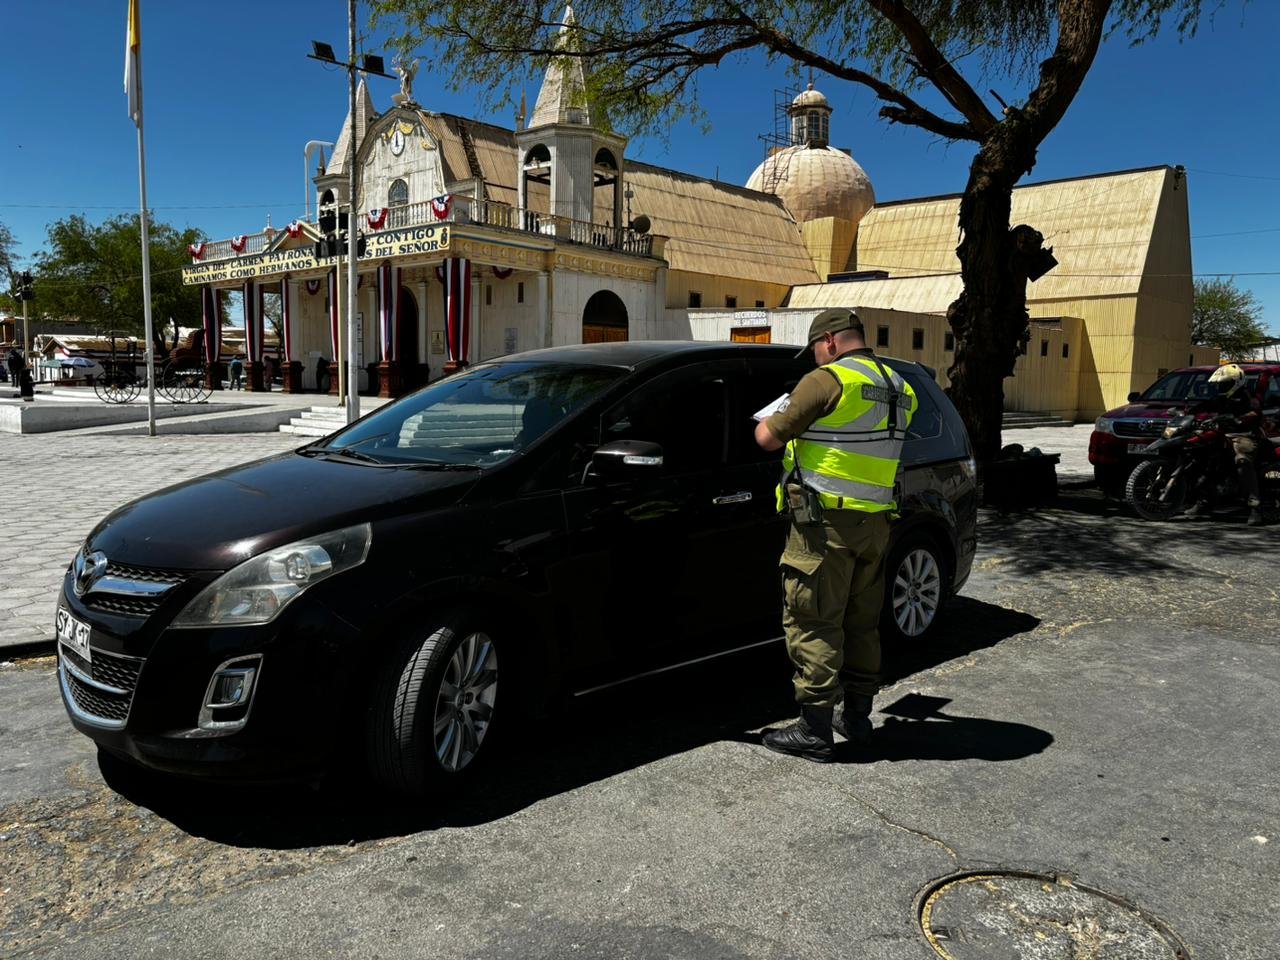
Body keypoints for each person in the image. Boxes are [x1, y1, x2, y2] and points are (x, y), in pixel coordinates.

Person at [753, 308, 917, 762]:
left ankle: (815, 728)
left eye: (816, 350)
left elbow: (767, 437)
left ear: (829, 341)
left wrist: (779, 413)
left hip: (825, 525)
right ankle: (857, 718)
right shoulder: (899, 386)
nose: (815, 358)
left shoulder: (827, 380)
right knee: (861, 620)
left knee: (813, 619)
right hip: (876, 522)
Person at [1185, 363, 1265, 526]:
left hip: (1244, 435)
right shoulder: (1222, 398)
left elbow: (1255, 413)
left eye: (1224, 384)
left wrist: (1238, 419)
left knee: (1242, 460)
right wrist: (1185, 412)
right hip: (1223, 435)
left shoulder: (1248, 397)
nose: (1220, 387)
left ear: (1235, 382)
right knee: (1207, 460)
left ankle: (1255, 507)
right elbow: (1206, 405)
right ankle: (1204, 501)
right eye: (1220, 384)